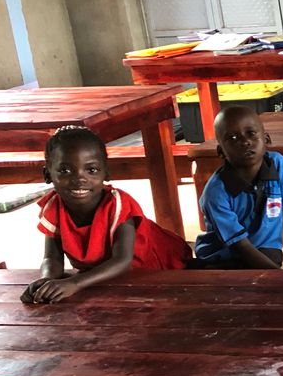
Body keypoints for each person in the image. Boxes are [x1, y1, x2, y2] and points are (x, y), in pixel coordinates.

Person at [22, 126, 191, 303]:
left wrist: (75, 283)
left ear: (107, 173)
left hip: (155, 271)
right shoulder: (53, 207)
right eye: (65, 171)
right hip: (101, 279)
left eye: (91, 170)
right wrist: (46, 280)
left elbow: (122, 261)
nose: (79, 178)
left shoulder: (117, 204)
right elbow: (52, 258)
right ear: (47, 174)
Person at [193, 106, 283, 269]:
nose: (245, 142)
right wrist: (280, 277)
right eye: (233, 138)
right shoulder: (215, 193)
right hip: (224, 258)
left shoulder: (277, 164)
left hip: (266, 250)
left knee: (271, 257)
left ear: (266, 139)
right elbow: (239, 245)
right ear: (221, 152)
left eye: (251, 133)